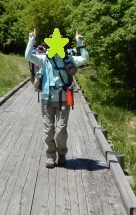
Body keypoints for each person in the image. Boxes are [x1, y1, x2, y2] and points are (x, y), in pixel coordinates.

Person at [25, 29, 89, 168]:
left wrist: (80, 43)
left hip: (64, 99)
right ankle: (50, 155)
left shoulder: (68, 59)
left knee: (61, 131)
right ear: (49, 44)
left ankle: (61, 154)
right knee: (48, 131)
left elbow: (85, 58)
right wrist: (31, 39)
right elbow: (28, 55)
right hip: (47, 99)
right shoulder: (44, 59)